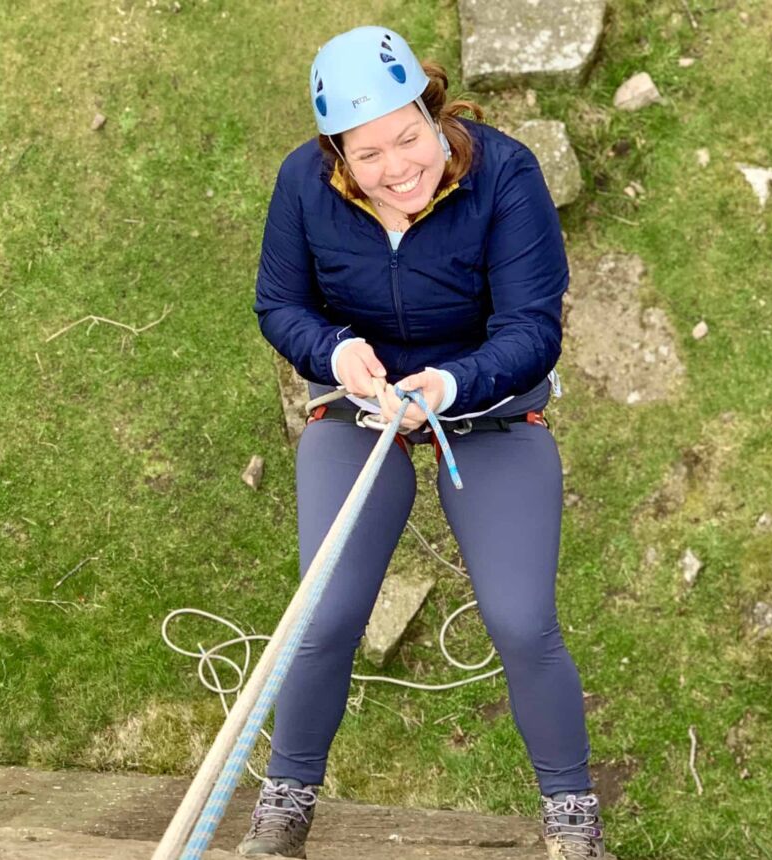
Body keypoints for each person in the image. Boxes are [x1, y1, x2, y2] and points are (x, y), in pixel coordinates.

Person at [244, 25, 606, 860]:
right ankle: (286, 801)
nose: (397, 167)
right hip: (357, 401)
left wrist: (447, 386)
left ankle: (572, 816)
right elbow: (280, 305)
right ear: (337, 154)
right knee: (323, 611)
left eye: (409, 136)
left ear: (432, 108)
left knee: (521, 622)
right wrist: (334, 353)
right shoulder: (304, 186)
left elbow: (530, 332)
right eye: (367, 154)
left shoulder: (505, 174)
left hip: (487, 409)